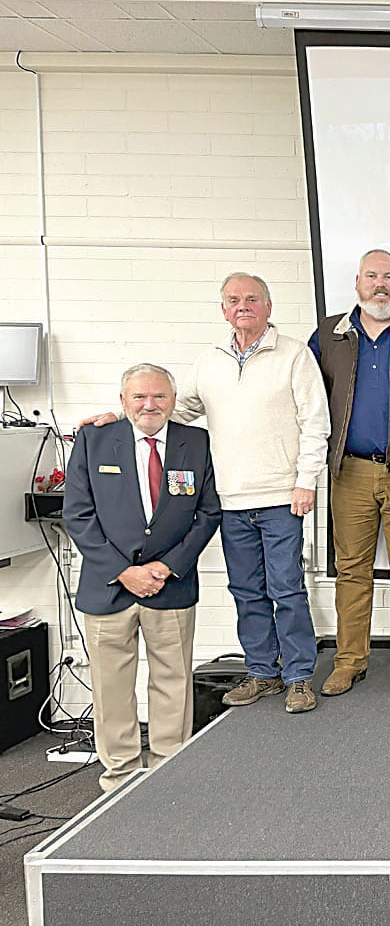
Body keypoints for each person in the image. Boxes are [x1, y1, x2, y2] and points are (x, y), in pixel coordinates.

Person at [79, 273, 331, 715]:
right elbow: (171, 408)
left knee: (287, 590)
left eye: (252, 299)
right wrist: (119, 417)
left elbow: (316, 422)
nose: (243, 306)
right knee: (246, 590)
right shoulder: (209, 361)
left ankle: (297, 677)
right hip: (230, 500)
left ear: (269, 307)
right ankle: (262, 672)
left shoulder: (294, 355)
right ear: (223, 310)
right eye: (233, 300)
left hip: (281, 498)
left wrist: (306, 481)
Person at [64, 364, 221, 791]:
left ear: (173, 401)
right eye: (139, 397)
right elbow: (77, 515)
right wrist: (124, 571)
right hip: (108, 587)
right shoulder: (93, 440)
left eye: (159, 397)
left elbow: (208, 513)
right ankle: (120, 776)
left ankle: (168, 773)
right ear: (123, 401)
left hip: (170, 586)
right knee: (111, 686)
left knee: (173, 681)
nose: (149, 405)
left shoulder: (196, 441)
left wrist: (167, 566)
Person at [309, 249, 390, 699]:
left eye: (389, 276)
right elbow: (305, 399)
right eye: (372, 276)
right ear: (357, 284)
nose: (380, 284)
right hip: (349, 471)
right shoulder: (329, 334)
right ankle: (349, 661)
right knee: (351, 571)